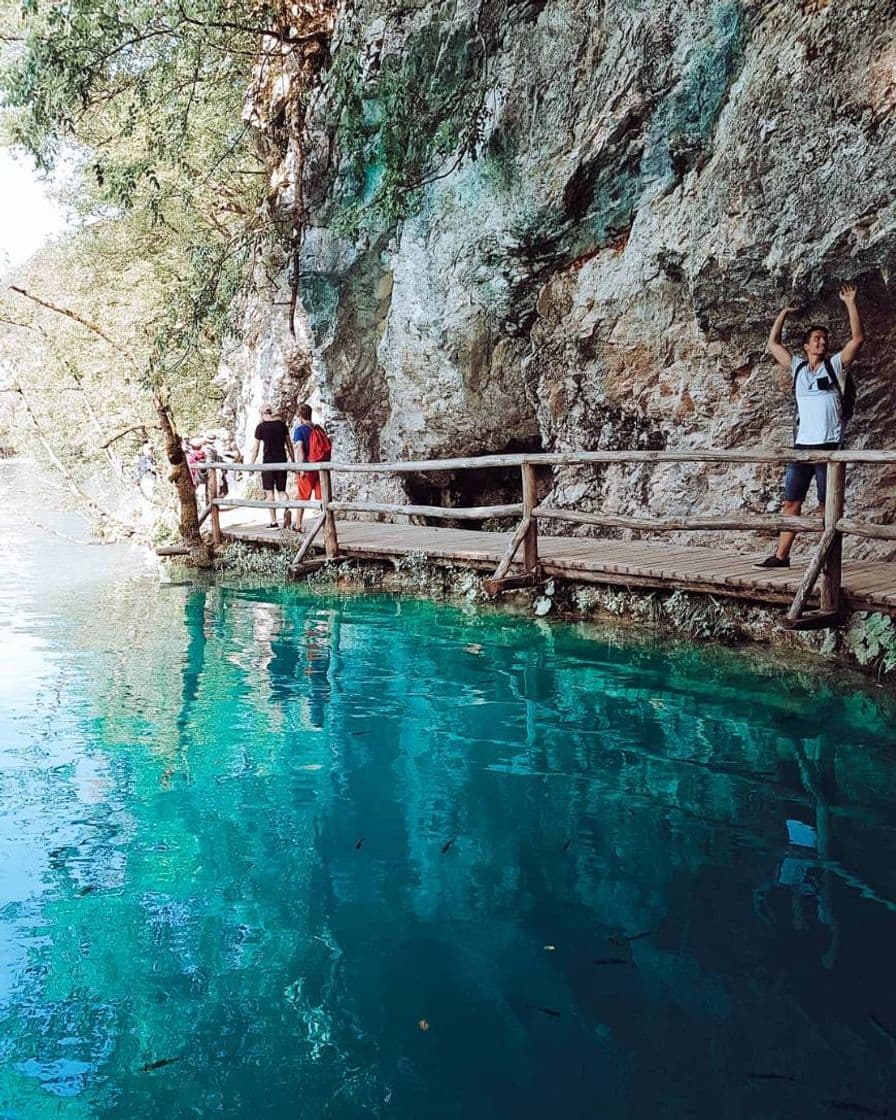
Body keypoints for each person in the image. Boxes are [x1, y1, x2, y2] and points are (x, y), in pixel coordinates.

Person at [754, 283, 865, 568]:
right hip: (801, 448)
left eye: (824, 339)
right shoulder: (799, 368)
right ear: (806, 346)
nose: (822, 342)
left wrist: (850, 302)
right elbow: (773, 345)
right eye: (817, 338)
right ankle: (781, 557)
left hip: (829, 449)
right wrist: (782, 314)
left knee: (827, 508)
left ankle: (826, 561)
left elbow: (857, 339)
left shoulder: (835, 366)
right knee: (791, 503)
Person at [249, 405, 294, 529]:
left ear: (262, 413)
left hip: (268, 462)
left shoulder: (261, 427)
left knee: (270, 493)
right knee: (282, 490)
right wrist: (294, 461)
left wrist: (251, 465)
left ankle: (274, 522)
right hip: (281, 461)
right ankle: (286, 512)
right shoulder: (281, 425)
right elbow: (289, 445)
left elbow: (256, 448)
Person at [291, 403, 329, 533]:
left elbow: (299, 449)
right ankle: (326, 525)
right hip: (320, 468)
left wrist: (300, 467)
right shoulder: (319, 429)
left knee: (302, 497)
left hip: (307, 468)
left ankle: (298, 525)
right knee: (323, 496)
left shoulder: (300, 430)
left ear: (300, 416)